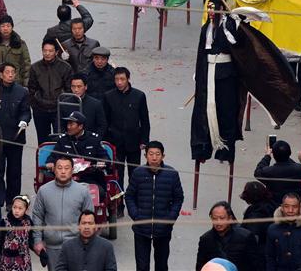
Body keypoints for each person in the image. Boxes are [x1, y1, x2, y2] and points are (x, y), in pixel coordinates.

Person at [126, 140, 183, 271]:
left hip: (163, 230)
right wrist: (135, 215)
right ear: (145, 156)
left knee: (162, 265)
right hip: (141, 229)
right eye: (151, 154)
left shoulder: (171, 174)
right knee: (142, 266)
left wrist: (170, 219)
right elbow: (129, 195)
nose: (154, 157)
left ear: (163, 156)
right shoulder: (138, 173)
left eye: (157, 154)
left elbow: (178, 198)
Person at [0, 62, 31, 207]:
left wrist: (24, 121)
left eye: (13, 72)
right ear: (1, 74)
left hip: (15, 138)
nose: (10, 75)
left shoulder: (22, 92)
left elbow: (26, 111)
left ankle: (12, 200)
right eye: (7, 72)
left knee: (14, 172)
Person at [104, 67, 150, 190]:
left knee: (135, 174)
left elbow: (145, 120)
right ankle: (118, 205)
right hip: (115, 142)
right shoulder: (108, 96)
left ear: (128, 79)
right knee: (117, 175)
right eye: (117, 79)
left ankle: (133, 202)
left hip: (134, 142)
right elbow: (105, 121)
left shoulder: (139, 96)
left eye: (122, 79)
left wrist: (144, 141)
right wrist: (106, 141)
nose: (119, 82)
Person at [265, 192, 301, 271]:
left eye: (294, 207)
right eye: (286, 207)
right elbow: (270, 257)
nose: (290, 210)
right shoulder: (273, 229)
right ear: (282, 208)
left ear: (300, 208)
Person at [29, 39, 72, 142]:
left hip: (58, 109)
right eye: (45, 50)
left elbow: (68, 89)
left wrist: (62, 105)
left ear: (56, 52)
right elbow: (31, 88)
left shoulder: (65, 67)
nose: (47, 53)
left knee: (61, 139)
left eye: (50, 51)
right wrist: (35, 104)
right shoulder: (35, 67)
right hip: (40, 109)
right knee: (43, 140)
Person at [195, 201, 259, 271]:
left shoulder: (245, 237)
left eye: (222, 218)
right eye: (215, 218)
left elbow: (255, 265)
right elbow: (201, 266)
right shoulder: (206, 239)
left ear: (230, 218)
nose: (218, 222)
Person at [254, 140, 301, 210]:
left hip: (274, 206)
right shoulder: (299, 168)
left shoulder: (269, 171)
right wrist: (284, 154)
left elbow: (257, 172)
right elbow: (293, 164)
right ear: (290, 153)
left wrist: (267, 155)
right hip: (294, 205)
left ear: (274, 155)